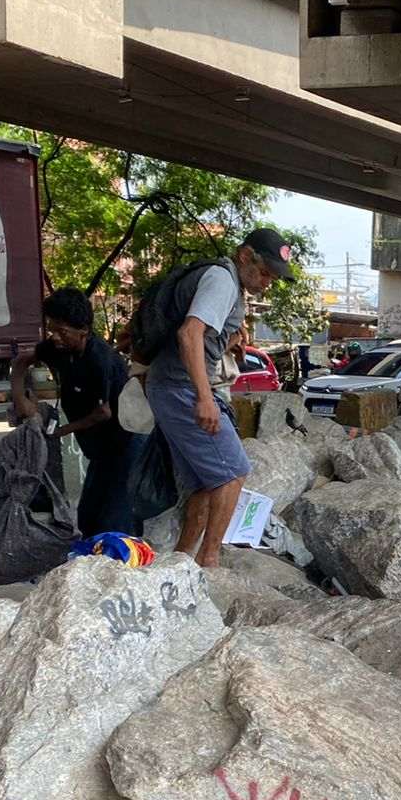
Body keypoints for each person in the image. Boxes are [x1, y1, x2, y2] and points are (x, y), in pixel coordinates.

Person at [143, 227, 291, 567]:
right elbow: (189, 333)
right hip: (180, 387)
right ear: (244, 255)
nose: (267, 281)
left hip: (169, 385)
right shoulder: (222, 280)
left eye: (273, 277)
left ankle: (180, 563)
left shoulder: (227, 284)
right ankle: (210, 562)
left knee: (206, 486)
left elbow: (203, 340)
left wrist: (228, 345)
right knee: (234, 471)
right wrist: (204, 397)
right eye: (265, 272)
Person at [11, 288, 141, 537]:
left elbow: (103, 413)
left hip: (128, 441)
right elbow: (19, 363)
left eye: (62, 332)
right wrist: (20, 399)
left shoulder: (100, 359)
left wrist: (59, 432)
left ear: (83, 330)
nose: (56, 337)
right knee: (88, 518)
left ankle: (125, 566)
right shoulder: (56, 349)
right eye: (52, 330)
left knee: (114, 520)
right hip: (101, 448)